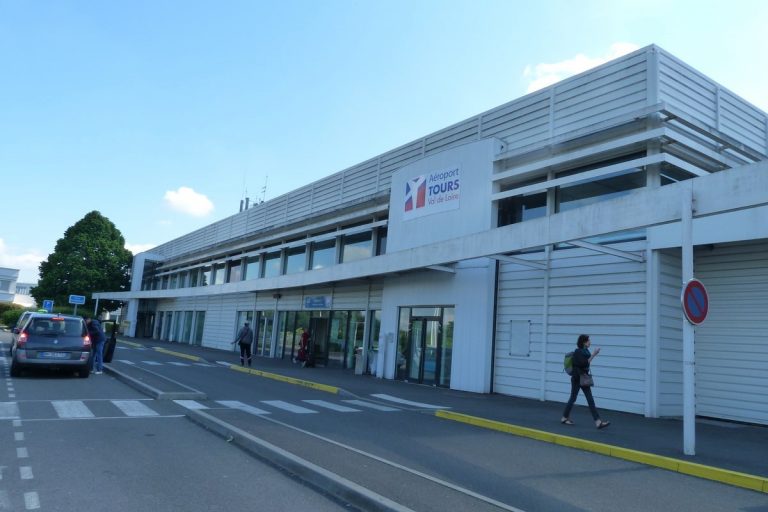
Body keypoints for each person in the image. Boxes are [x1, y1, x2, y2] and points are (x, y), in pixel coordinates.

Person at [561, 334, 610, 429]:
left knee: (580, 398)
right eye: (588, 341)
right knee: (582, 399)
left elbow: (585, 363)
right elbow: (583, 363)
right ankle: (597, 422)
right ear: (584, 342)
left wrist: (592, 355)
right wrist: (594, 354)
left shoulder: (585, 351)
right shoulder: (578, 352)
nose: (590, 342)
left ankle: (565, 417)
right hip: (578, 378)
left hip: (582, 377)